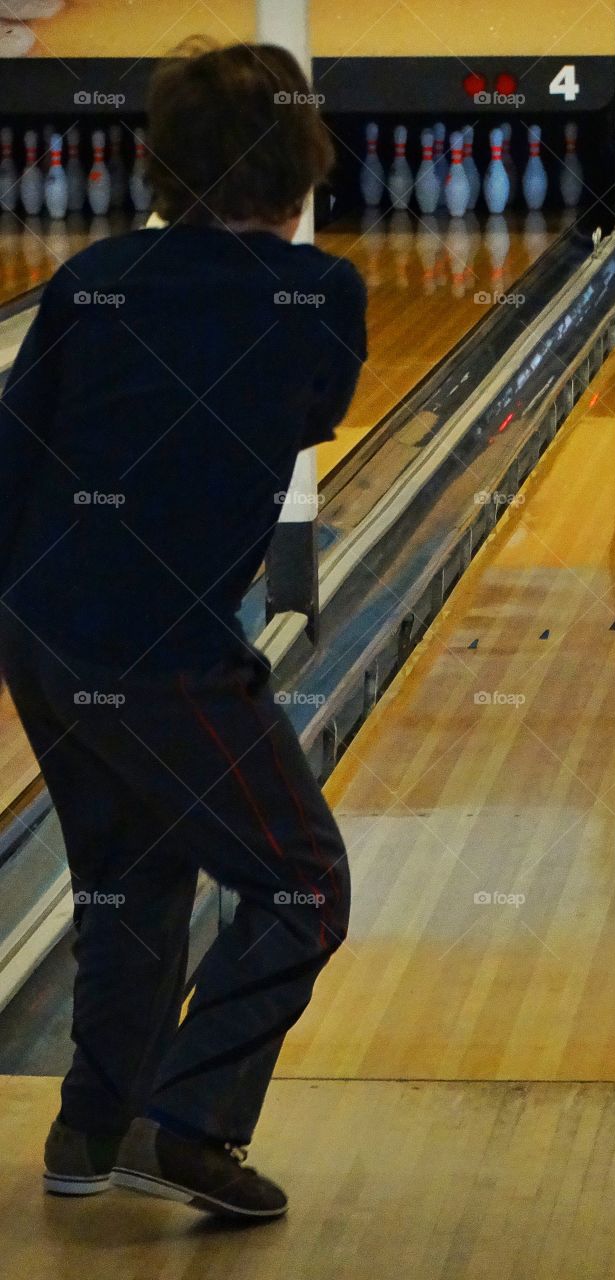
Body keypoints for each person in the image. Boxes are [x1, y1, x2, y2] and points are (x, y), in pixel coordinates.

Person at [0, 41, 366, 1221]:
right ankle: (192, 1125)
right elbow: (314, 407)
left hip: (46, 633)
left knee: (130, 874)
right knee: (304, 881)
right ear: (305, 165)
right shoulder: (323, 298)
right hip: (164, 655)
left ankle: (89, 1130)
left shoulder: (92, 276)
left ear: (158, 162)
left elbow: (17, 451)